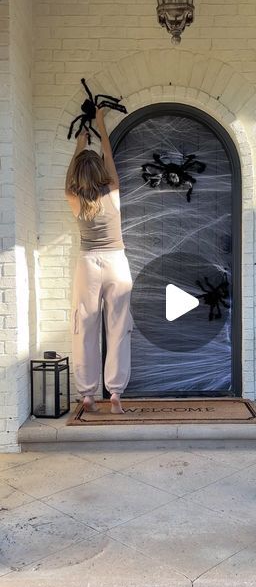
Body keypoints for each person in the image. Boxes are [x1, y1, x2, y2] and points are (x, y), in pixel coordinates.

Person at [65, 107, 133, 414]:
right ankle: (115, 393)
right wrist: (102, 127)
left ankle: (88, 394)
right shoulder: (113, 191)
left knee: (85, 328)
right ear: (101, 174)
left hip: (88, 264)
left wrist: (80, 143)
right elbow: (108, 155)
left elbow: (69, 178)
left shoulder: (74, 197)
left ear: (79, 175)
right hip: (117, 262)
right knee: (118, 328)